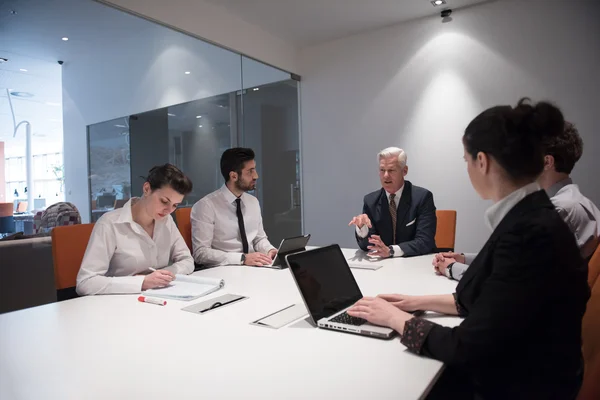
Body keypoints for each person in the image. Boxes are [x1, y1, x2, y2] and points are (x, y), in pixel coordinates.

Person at [348, 99, 589, 399]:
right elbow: (489, 299)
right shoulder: (530, 217)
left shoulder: (528, 233)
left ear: (483, 162)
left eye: (465, 160)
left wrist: (395, 319)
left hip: (520, 387)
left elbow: (466, 347)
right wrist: (411, 302)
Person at [435, 121, 600, 281]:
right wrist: (463, 259)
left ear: (547, 162)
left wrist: (451, 268)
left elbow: (506, 279)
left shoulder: (559, 210)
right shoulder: (572, 202)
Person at [76, 164, 194, 295]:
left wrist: (166, 275)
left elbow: (187, 260)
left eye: (175, 205)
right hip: (118, 304)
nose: (169, 210)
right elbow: (85, 283)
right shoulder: (110, 224)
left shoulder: (166, 221)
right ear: (147, 189)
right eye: (164, 201)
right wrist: (141, 282)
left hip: (159, 297)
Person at [191, 148, 276, 267]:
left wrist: (269, 250)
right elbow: (201, 253)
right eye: (250, 171)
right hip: (225, 270)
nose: (256, 176)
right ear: (234, 176)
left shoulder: (253, 202)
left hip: (253, 268)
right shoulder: (206, 206)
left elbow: (258, 238)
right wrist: (242, 258)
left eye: (254, 169)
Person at [349, 147, 436, 258]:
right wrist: (362, 229)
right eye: (382, 170)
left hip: (414, 263)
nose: (385, 175)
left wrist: (391, 251)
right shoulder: (370, 201)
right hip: (384, 266)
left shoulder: (422, 197)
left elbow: (425, 241)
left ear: (404, 171)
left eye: (391, 170)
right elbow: (368, 246)